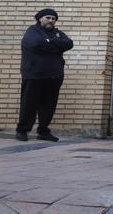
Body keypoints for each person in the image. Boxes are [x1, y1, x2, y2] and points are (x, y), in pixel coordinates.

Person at [16, 8, 73, 142]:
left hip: (54, 75)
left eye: (53, 18)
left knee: (48, 105)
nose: (51, 20)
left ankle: (43, 131)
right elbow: (35, 43)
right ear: (40, 18)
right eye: (48, 17)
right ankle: (22, 130)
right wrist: (57, 45)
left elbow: (69, 43)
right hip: (34, 74)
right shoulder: (32, 31)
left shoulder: (58, 33)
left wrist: (49, 41)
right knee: (29, 104)